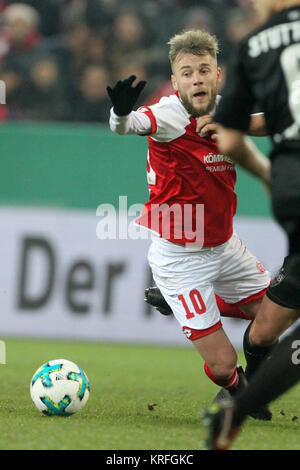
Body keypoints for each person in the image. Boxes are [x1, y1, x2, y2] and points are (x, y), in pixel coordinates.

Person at [107, 29, 272, 417]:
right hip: (181, 258)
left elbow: (262, 122)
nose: (196, 78)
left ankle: (179, 303)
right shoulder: (167, 114)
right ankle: (235, 388)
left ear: (218, 75)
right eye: (187, 72)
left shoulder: (230, 109)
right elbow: (126, 127)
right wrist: (120, 113)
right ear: (175, 80)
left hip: (226, 246)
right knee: (223, 366)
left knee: (276, 315)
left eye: (203, 70)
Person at [203, 0, 300, 450]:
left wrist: (265, 174)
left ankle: (237, 411)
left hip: (291, 190)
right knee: (262, 331)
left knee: (263, 332)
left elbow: (232, 135)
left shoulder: (252, 47)